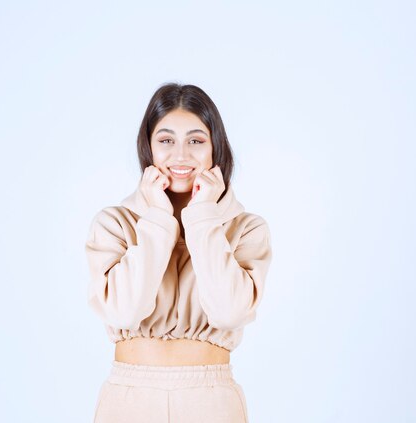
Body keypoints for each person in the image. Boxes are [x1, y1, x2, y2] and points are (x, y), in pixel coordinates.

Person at [84, 82, 273, 422]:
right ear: (149, 148)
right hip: (129, 399)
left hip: (211, 400)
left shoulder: (246, 228)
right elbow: (124, 313)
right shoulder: (114, 223)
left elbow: (229, 313)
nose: (181, 155)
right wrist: (157, 219)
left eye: (196, 141)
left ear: (216, 148)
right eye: (167, 140)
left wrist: (202, 218)